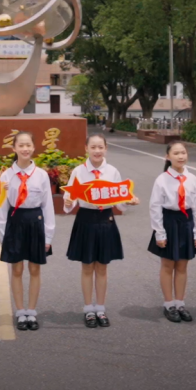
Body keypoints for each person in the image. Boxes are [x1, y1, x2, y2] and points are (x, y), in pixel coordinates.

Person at [64, 133, 137, 328]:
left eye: (100, 147)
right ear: (86, 149)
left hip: (106, 219)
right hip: (86, 219)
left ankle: (101, 308)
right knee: (87, 266)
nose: (97, 151)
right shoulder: (78, 171)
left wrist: (128, 202)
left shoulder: (112, 172)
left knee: (102, 267)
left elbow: (120, 202)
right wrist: (68, 202)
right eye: (93, 147)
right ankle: (88, 309)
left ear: (106, 149)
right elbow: (69, 204)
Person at [0, 131, 55, 331]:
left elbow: (48, 207)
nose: (25, 149)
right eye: (20, 145)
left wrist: (48, 236)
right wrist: (3, 236)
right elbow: (2, 208)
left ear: (33, 147)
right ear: (14, 149)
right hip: (15, 222)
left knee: (35, 268)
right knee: (17, 269)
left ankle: (32, 311)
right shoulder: (6, 175)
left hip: (35, 222)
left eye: (28, 144)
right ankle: (20, 312)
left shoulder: (41, 175)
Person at [148, 141, 196, 324]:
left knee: (182, 266)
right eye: (176, 153)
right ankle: (168, 304)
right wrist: (159, 233)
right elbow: (155, 207)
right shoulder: (162, 179)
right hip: (168, 222)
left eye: (183, 152)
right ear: (168, 156)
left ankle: (180, 303)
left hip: (186, 222)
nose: (181, 156)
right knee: (167, 265)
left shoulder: (193, 179)